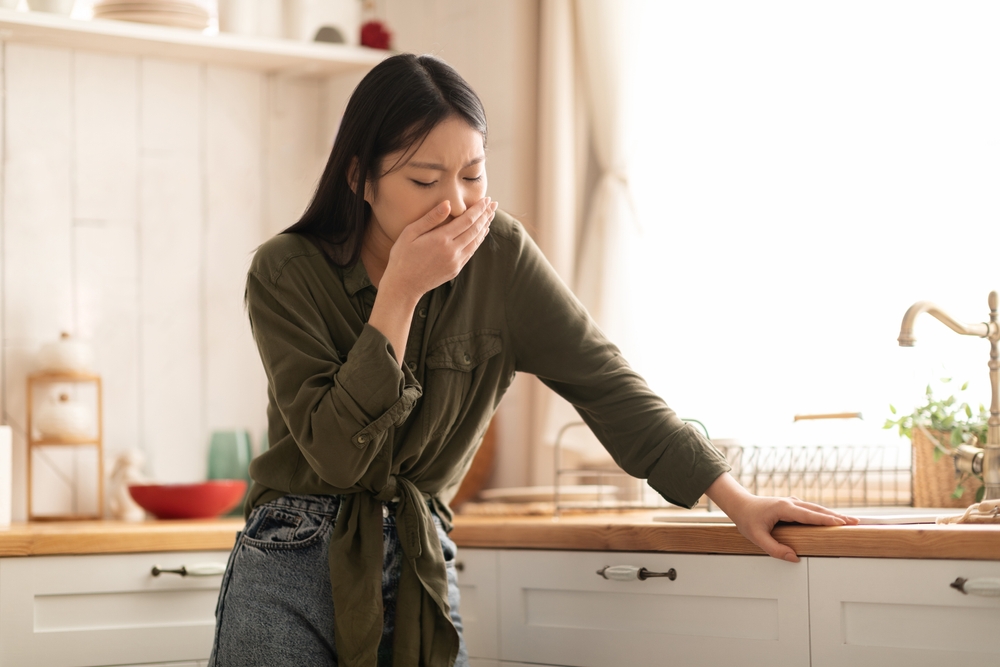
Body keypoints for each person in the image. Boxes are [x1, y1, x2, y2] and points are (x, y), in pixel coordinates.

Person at [208, 53, 858, 667]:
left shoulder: (503, 258)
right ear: (360, 179)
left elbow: (606, 382)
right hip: (291, 557)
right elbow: (338, 454)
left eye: (472, 175)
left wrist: (734, 497)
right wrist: (402, 291)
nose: (458, 204)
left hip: (417, 556)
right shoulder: (284, 270)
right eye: (424, 180)